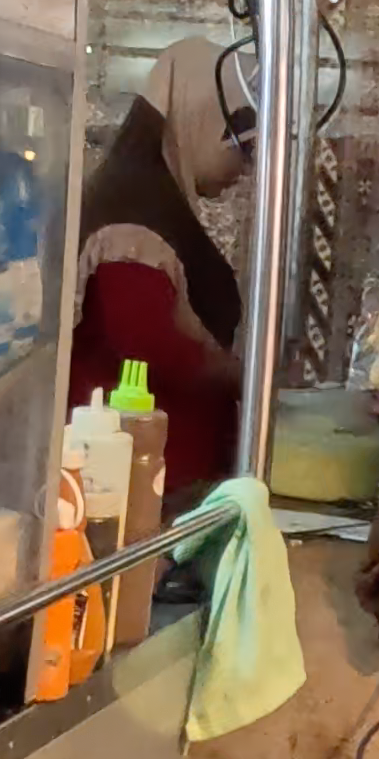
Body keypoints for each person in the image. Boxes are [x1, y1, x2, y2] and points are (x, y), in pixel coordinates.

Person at [70, 37, 255, 504]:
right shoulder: (133, 214)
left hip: (162, 475)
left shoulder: (156, 203)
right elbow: (147, 345)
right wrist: (246, 378)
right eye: (241, 148)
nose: (245, 168)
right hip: (138, 487)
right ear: (201, 120)